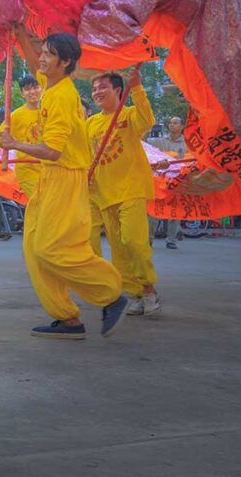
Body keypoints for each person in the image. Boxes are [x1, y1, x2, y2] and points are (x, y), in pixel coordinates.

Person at [0, 29, 127, 339]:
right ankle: (67, 319)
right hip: (50, 178)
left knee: (51, 248)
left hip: (65, 176)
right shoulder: (52, 85)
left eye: (50, 54)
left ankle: (110, 294)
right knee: (33, 248)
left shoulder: (63, 96)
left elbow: (53, 151)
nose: (42, 57)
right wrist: (17, 29)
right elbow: (33, 63)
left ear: (66, 61)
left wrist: (14, 142)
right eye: (43, 51)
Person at [88, 69, 161, 317]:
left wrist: (138, 88)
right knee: (119, 250)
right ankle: (136, 294)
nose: (97, 92)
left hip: (131, 189)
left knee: (134, 241)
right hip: (104, 195)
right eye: (94, 88)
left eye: (102, 87)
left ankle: (149, 289)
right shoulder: (91, 123)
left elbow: (148, 120)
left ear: (118, 90)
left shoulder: (128, 115)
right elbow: (86, 155)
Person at [0, 75, 43, 198]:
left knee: (45, 207)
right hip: (27, 167)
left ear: (42, 88)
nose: (32, 92)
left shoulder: (49, 111)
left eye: (35, 87)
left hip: (48, 166)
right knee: (40, 200)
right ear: (22, 94)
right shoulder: (16, 116)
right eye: (28, 89)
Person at [147, 115, 187, 250]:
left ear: (182, 126)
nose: (172, 125)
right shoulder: (160, 141)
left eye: (175, 123)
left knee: (175, 211)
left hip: (177, 181)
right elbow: (146, 144)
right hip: (161, 181)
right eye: (170, 123)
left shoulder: (186, 144)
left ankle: (171, 239)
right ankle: (149, 239)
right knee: (155, 210)